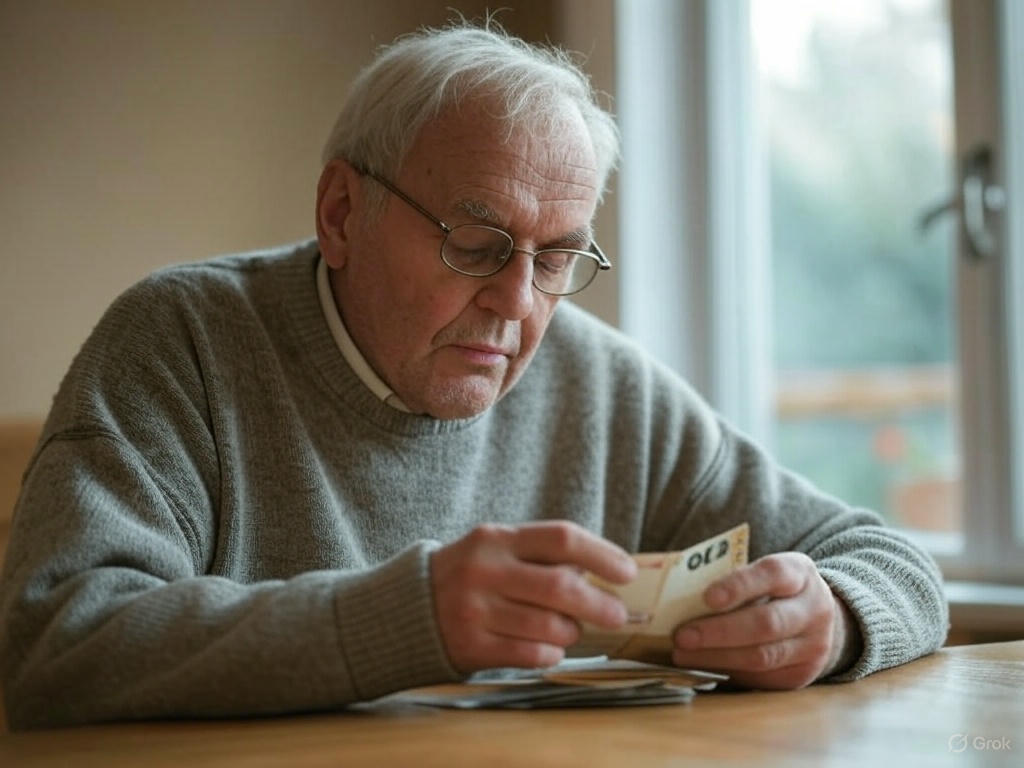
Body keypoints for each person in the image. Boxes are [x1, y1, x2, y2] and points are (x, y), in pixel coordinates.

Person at [0, 22, 948, 731]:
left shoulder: (605, 387)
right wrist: (404, 619)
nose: (517, 302)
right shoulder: (183, 341)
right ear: (340, 213)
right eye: (476, 241)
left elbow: (897, 565)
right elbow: (52, 642)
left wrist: (832, 620)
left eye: (554, 259)